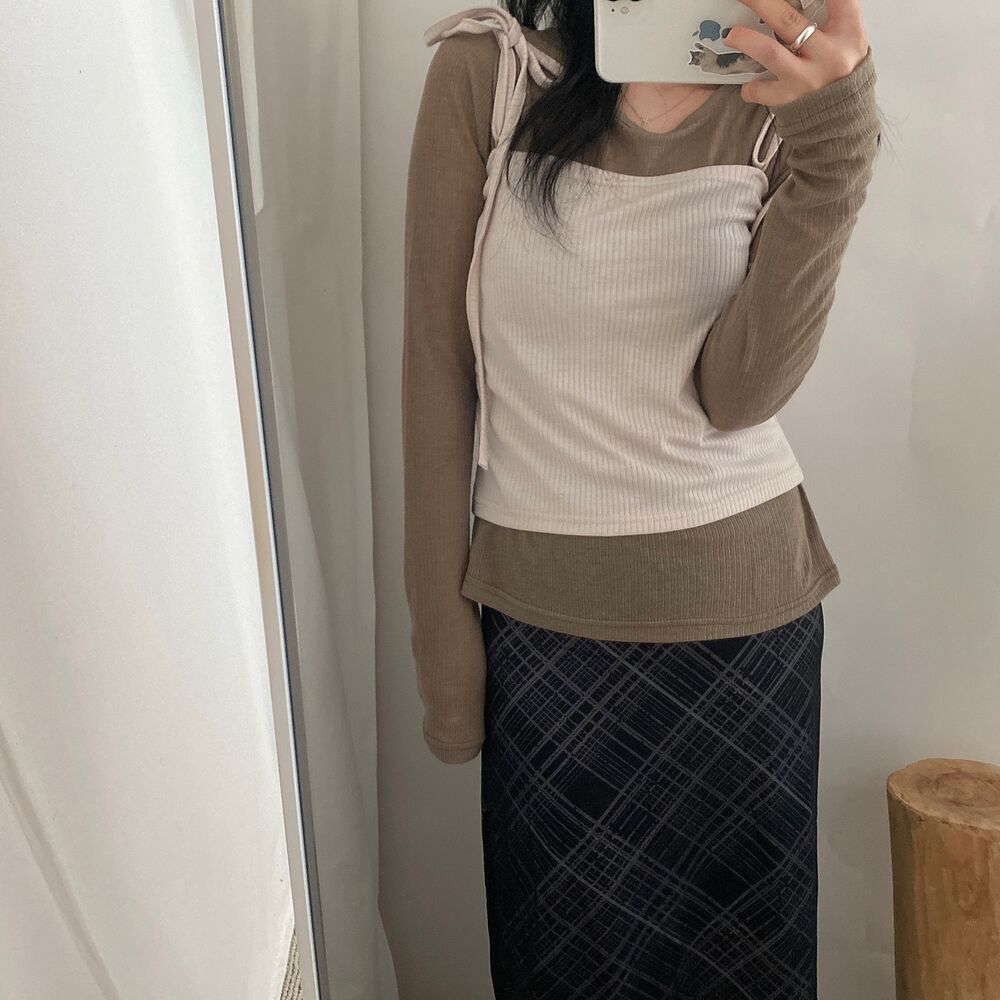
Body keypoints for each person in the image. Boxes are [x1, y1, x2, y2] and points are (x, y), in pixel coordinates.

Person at [402, 1, 881, 996]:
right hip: (544, 634)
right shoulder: (493, 74)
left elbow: (737, 395)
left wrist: (834, 149)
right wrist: (440, 635)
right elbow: (436, 367)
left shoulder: (778, 98)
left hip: (743, 634)